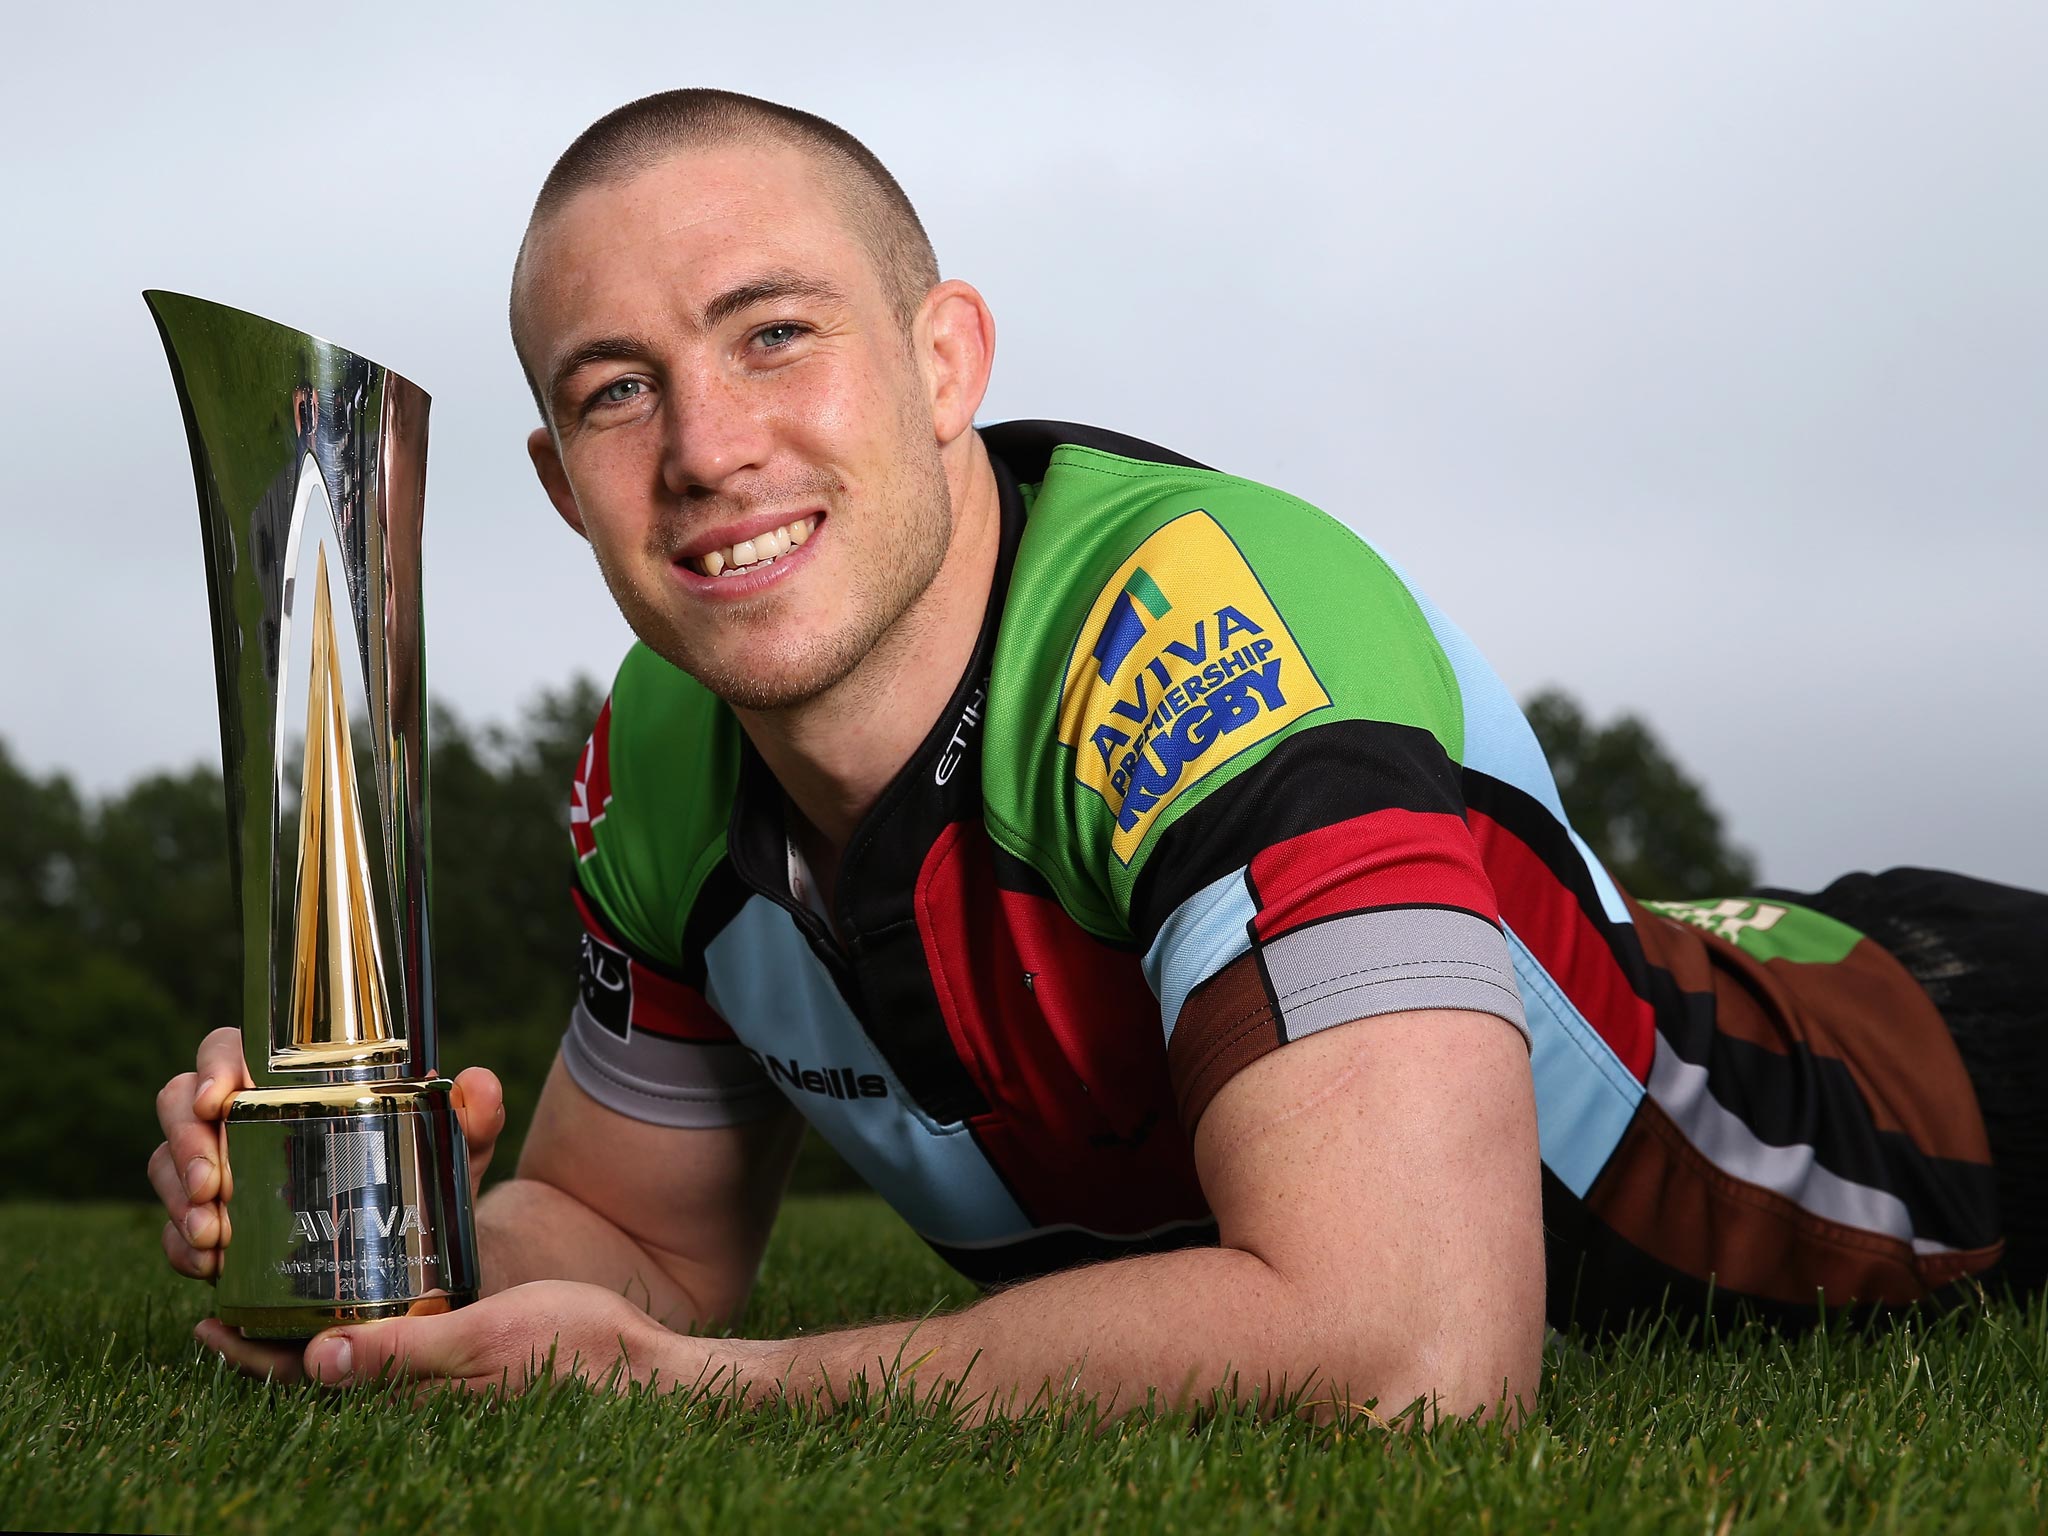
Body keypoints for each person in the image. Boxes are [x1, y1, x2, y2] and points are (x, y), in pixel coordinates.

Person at [149, 89, 2044, 1421]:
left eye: (774, 334)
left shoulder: (1215, 644)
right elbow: (627, 1237)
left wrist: (714, 1399)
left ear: (948, 358)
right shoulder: (657, 757)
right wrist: (372, 1243)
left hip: (1940, 1071)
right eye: (619, 388)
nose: (708, 449)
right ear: (560, 487)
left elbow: (1413, 1354)